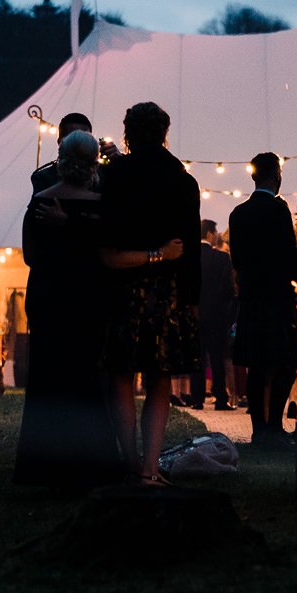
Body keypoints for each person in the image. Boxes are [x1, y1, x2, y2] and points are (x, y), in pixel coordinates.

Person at [13, 130, 125, 489]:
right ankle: (92, 464)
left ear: (60, 160)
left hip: (48, 299)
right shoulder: (102, 206)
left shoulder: (40, 202)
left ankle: (42, 467)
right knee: (87, 378)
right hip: (89, 299)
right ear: (93, 163)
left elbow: (30, 256)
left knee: (47, 379)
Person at [97, 101, 202, 486]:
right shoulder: (182, 180)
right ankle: (150, 468)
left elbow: (104, 240)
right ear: (164, 133)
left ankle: (130, 462)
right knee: (160, 379)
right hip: (169, 293)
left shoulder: (116, 176)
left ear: (128, 133)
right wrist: (193, 300)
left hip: (122, 288)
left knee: (122, 377)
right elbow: (190, 249)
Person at [229, 153, 297, 450]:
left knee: (256, 366)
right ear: (276, 174)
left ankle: (259, 429)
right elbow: (290, 254)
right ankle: (274, 425)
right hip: (279, 296)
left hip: (251, 295)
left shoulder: (238, 213)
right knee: (286, 361)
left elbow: (236, 258)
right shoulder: (278, 209)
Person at [178, 220, 237, 410]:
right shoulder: (222, 258)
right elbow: (228, 289)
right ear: (210, 234)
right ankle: (221, 398)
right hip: (217, 315)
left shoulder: (189, 257)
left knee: (198, 357)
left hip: (195, 313)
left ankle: (197, 399)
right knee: (217, 356)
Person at [30, 111, 93, 194]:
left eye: (84, 138)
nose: (79, 142)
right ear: (60, 142)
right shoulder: (44, 177)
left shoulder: (105, 175)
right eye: (73, 138)